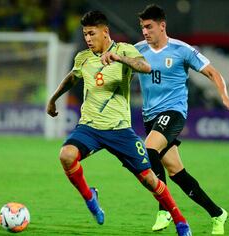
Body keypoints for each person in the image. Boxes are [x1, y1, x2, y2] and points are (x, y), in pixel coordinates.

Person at [46, 10, 192, 236]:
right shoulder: (83, 57)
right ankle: (90, 198)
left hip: (120, 130)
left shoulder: (125, 50)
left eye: (91, 33)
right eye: (85, 34)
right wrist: (53, 99)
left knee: (150, 180)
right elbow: (73, 77)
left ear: (105, 32)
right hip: (90, 127)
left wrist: (119, 58)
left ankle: (180, 221)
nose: (87, 39)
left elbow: (145, 67)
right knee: (66, 155)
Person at [134, 4, 229, 235]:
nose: (145, 31)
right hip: (150, 117)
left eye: (149, 27)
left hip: (174, 113)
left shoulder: (182, 50)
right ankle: (218, 213)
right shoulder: (137, 50)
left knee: (149, 148)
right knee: (177, 174)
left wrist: (224, 95)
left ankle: (163, 209)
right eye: (142, 27)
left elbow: (212, 72)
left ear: (162, 26)